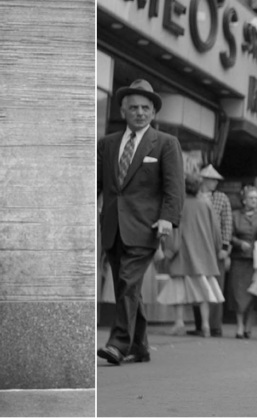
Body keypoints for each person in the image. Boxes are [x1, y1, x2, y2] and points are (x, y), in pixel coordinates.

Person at [96, 79, 184, 365]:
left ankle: (118, 343)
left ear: (154, 113)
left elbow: (174, 187)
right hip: (111, 226)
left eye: (146, 108)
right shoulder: (107, 144)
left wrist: (167, 220)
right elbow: (96, 184)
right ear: (123, 110)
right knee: (127, 287)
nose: (139, 112)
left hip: (147, 227)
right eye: (133, 107)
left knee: (127, 281)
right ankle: (140, 346)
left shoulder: (166, 144)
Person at [158, 174, 225, 336]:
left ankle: (179, 322)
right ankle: (205, 325)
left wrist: (168, 250)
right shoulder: (207, 204)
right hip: (204, 252)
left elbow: (173, 229)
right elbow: (216, 230)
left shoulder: (179, 205)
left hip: (183, 251)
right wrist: (217, 248)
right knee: (203, 291)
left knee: (178, 288)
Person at [187, 164, 232, 338]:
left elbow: (227, 223)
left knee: (215, 286)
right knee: (197, 284)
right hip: (197, 245)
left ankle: (215, 325)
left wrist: (225, 247)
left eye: (216, 180)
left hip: (215, 246)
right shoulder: (193, 198)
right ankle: (200, 324)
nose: (215, 183)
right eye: (211, 179)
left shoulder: (221, 198)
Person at [230, 186, 257, 338]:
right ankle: (239, 325)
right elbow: (229, 235)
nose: (254, 201)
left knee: (255, 293)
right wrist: (239, 243)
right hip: (240, 258)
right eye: (251, 198)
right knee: (239, 293)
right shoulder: (235, 216)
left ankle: (249, 326)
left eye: (256, 198)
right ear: (244, 200)